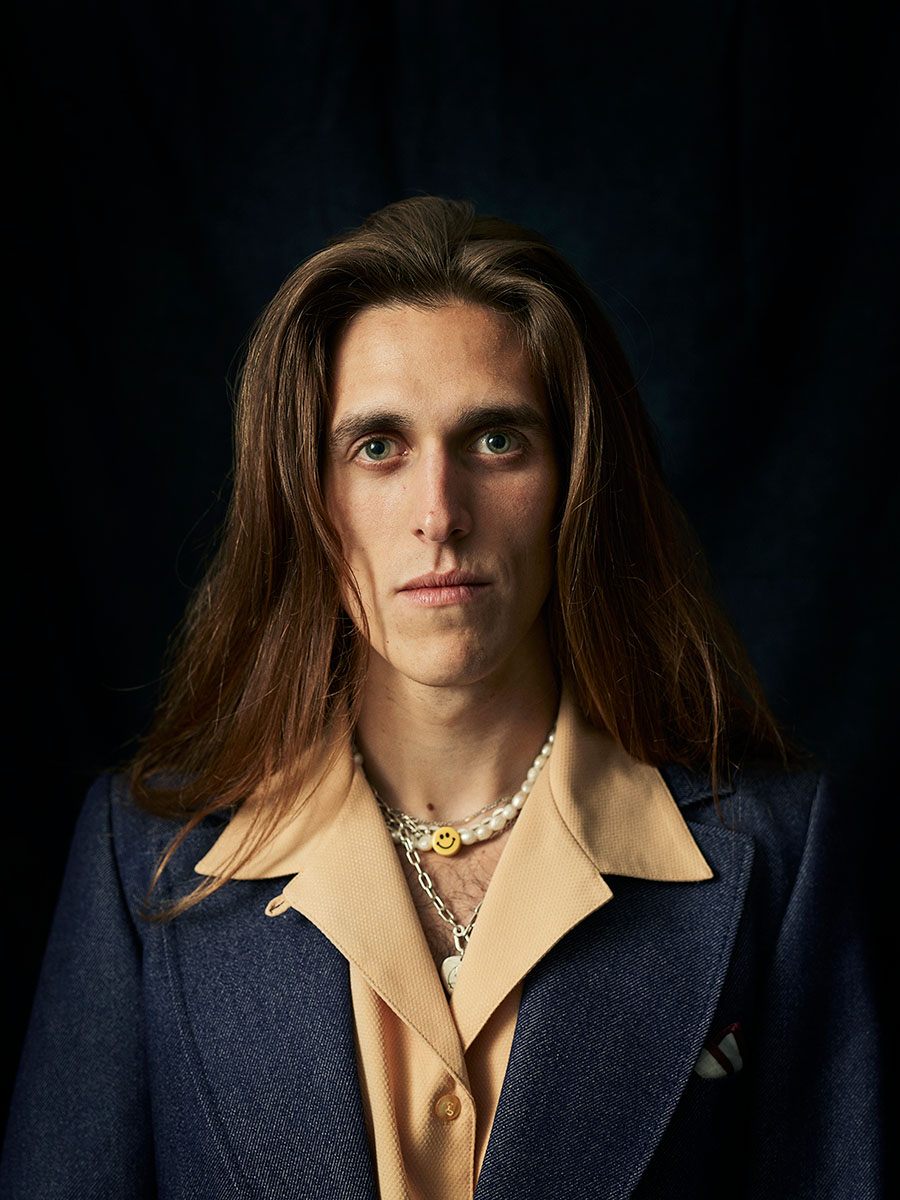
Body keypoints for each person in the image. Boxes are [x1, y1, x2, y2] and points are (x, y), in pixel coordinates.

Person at [1, 197, 880, 1199]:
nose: (439, 516)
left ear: (577, 481)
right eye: (377, 447)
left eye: (496, 441)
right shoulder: (144, 860)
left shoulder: (776, 853)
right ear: (305, 500)